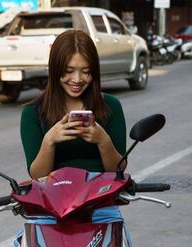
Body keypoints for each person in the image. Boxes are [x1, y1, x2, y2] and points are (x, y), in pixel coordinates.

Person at [17, 29, 131, 246]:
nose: (77, 80)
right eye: (68, 71)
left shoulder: (111, 107)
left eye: (86, 71)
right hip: (50, 210)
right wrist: (49, 141)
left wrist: (102, 141)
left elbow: (118, 169)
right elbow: (37, 176)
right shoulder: (33, 114)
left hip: (101, 208)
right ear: (55, 69)